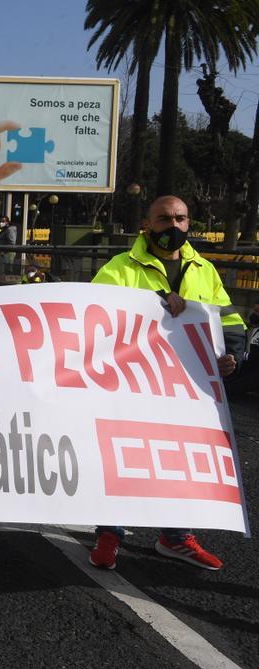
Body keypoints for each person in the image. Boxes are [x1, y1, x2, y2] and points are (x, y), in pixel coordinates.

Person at [87, 195, 244, 572]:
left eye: (180, 218)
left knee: (179, 457)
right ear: (147, 224)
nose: (172, 226)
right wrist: (157, 302)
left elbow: (230, 322)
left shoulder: (204, 269)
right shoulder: (120, 266)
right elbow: (94, 309)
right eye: (163, 219)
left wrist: (231, 357)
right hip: (133, 381)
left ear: (189, 223)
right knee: (124, 453)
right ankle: (110, 533)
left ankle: (175, 538)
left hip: (188, 387)